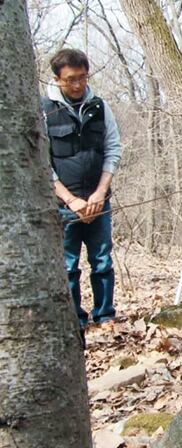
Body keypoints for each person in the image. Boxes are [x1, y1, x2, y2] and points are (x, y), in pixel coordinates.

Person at [42, 49, 122, 330]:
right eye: (70, 79)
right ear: (57, 79)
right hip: (64, 205)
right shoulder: (44, 110)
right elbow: (42, 162)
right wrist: (70, 200)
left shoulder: (99, 107)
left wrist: (100, 192)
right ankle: (75, 320)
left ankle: (105, 315)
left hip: (99, 199)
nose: (77, 85)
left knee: (102, 261)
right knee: (68, 266)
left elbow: (113, 149)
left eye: (83, 77)